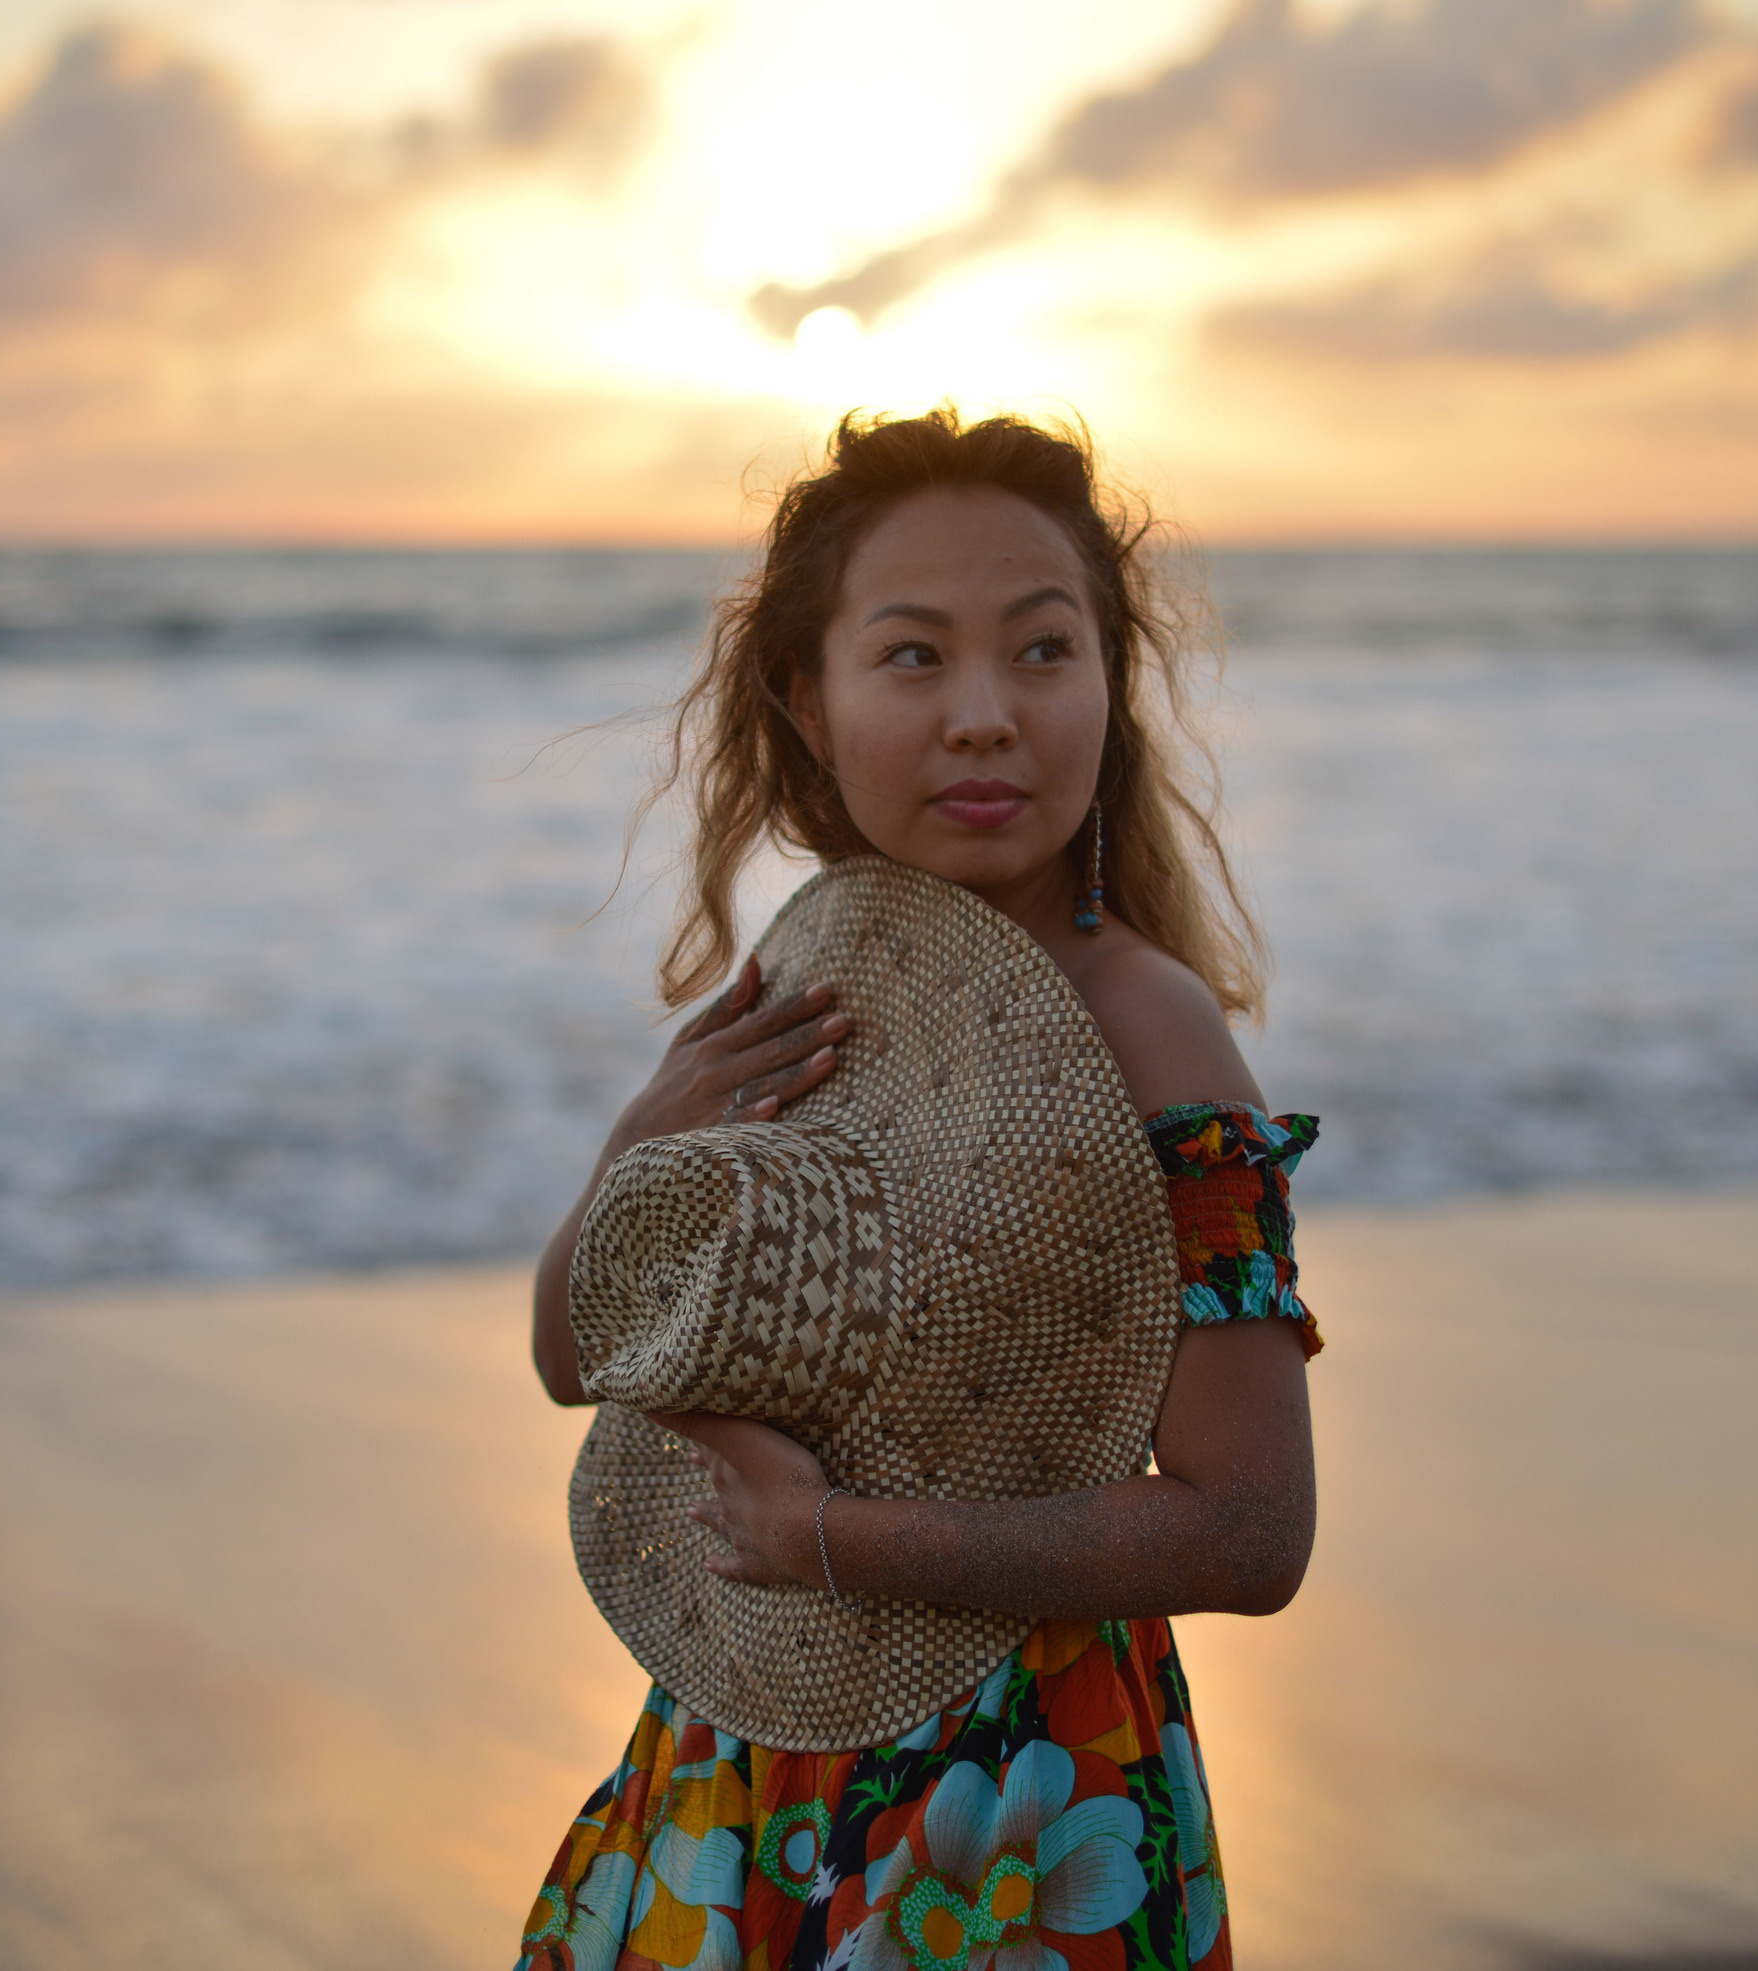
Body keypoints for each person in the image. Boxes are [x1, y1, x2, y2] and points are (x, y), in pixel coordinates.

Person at [518, 407, 1320, 1970]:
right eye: (911, 658)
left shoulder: (1150, 1030)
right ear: (807, 703)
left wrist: (841, 1540)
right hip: (742, 1755)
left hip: (1017, 1812)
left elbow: (1251, 1529)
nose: (983, 717)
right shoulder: (802, 984)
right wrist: (646, 1133)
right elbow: (573, 1359)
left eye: (1041, 652)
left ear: (1110, 681)